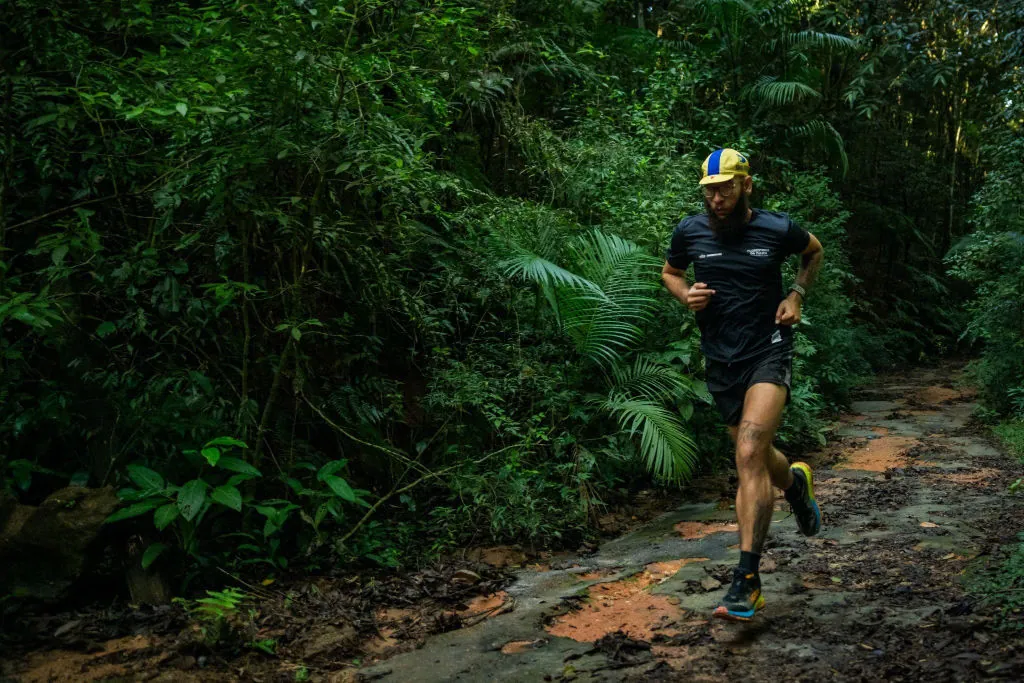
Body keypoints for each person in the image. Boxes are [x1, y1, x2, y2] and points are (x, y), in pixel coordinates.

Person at [661, 148, 824, 621]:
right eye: (710, 190)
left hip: (769, 348)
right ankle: (794, 483)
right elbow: (670, 273)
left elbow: (813, 250)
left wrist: (797, 293)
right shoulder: (689, 231)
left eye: (725, 187)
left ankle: (746, 580)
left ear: (746, 185)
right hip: (721, 358)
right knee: (756, 452)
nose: (717, 198)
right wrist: (684, 293)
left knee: (749, 451)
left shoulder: (776, 228)